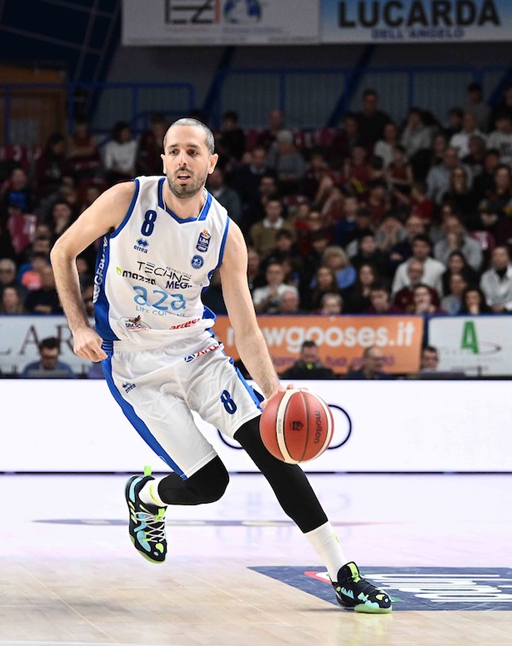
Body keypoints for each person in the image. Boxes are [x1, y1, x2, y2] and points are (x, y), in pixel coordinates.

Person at [50, 117, 391, 613]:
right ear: (162, 158)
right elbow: (63, 251)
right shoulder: (125, 199)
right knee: (210, 486)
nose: (181, 160)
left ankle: (342, 572)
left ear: (211, 162)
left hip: (198, 353)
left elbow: (247, 328)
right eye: (172, 151)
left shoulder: (225, 234)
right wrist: (79, 326)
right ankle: (146, 495)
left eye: (192, 151)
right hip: (133, 364)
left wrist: (274, 395)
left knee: (272, 449)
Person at [480, 246, 512, 313]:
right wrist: (492, 306)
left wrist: (506, 307)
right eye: (495, 255)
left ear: (508, 258)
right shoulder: (485, 277)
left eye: (502, 255)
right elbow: (484, 296)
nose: (498, 258)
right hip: (491, 312)